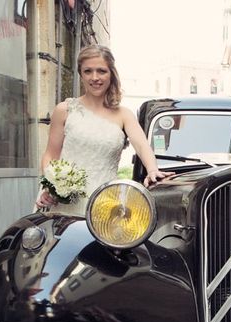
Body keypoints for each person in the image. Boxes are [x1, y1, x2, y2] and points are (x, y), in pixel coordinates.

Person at [35, 44, 173, 214]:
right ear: (81, 74)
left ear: (111, 74)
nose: (95, 77)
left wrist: (152, 170)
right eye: (88, 71)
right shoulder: (64, 110)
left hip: (105, 206)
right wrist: (50, 186)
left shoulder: (124, 115)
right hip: (63, 204)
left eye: (101, 71)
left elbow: (142, 146)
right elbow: (51, 154)